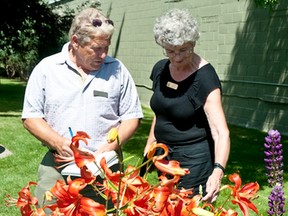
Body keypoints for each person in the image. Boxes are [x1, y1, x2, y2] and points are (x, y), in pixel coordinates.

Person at [21, 7, 143, 212]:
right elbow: (31, 117)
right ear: (75, 42)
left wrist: (107, 149)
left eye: (107, 47)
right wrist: (59, 143)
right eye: (96, 49)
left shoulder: (117, 70)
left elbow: (132, 118)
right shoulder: (47, 68)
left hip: (107, 170)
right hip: (58, 169)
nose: (103, 55)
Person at [144, 8, 230, 203]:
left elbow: (221, 132)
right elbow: (160, 112)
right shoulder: (160, 69)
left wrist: (217, 172)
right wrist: (149, 146)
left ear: (194, 43)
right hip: (163, 155)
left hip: (193, 161)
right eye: (170, 50)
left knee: (188, 207)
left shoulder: (205, 77)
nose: (177, 57)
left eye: (183, 49)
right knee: (164, 206)